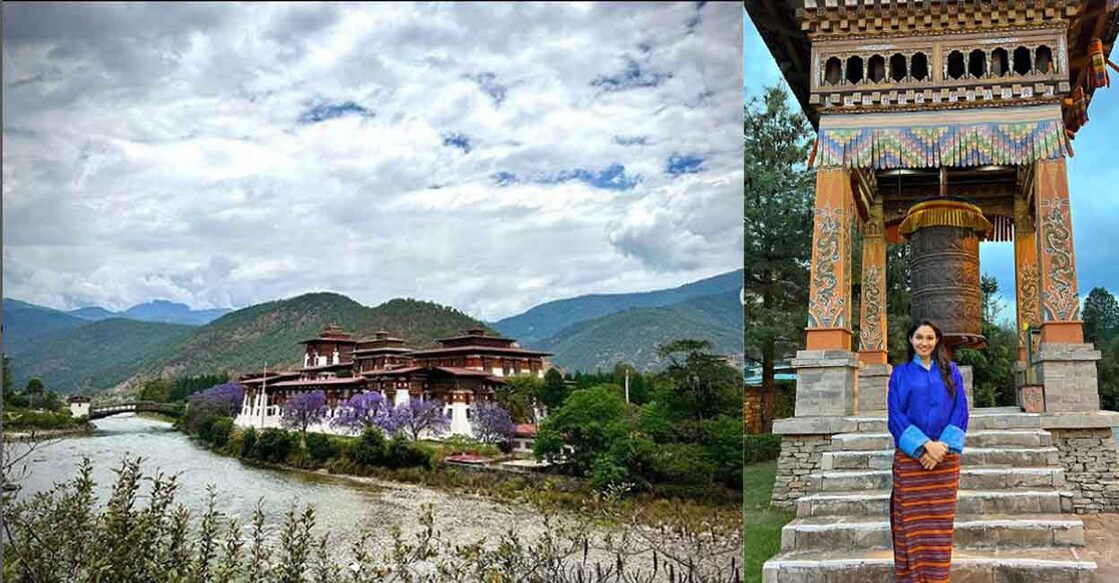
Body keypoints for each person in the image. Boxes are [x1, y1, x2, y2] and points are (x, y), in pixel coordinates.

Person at [887, 319, 969, 583]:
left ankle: (936, 577)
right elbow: (895, 415)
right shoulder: (900, 374)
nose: (924, 343)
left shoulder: (950, 371)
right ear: (911, 340)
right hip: (912, 459)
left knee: (938, 527)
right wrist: (923, 446)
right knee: (910, 523)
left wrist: (942, 446)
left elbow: (961, 410)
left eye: (930, 338)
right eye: (919, 337)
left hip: (944, 461)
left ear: (937, 342)